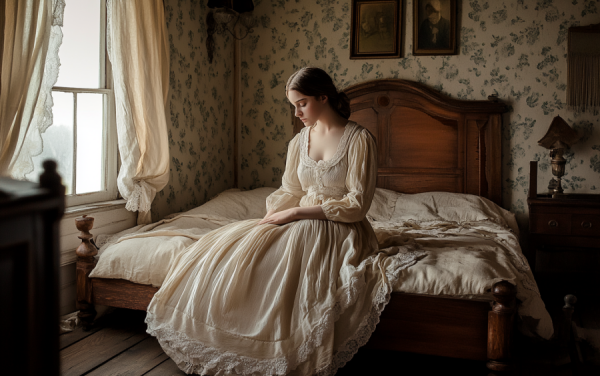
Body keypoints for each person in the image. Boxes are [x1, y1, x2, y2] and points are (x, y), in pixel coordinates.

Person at [145, 67, 423, 375]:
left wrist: (297, 213)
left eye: (301, 103)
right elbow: (290, 190)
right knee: (238, 249)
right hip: (298, 219)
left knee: (300, 261)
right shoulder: (299, 141)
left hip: (341, 228)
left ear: (323, 97)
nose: (296, 112)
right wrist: (270, 220)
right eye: (293, 105)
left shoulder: (359, 139)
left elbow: (357, 205)